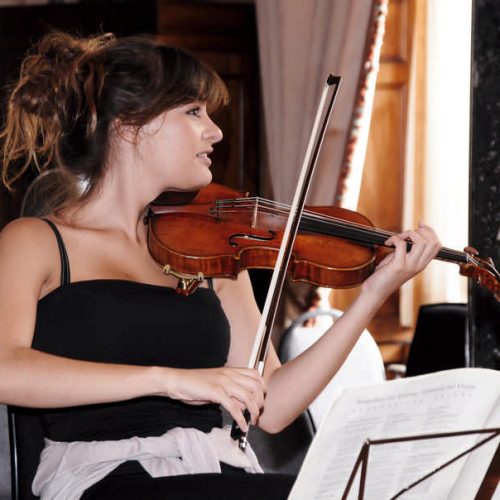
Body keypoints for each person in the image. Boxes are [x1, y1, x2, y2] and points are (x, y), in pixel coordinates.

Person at [0, 31, 441, 499]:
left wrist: (373, 294)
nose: (215, 131)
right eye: (193, 112)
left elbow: (273, 406)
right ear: (129, 126)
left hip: (217, 468)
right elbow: (7, 369)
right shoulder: (37, 242)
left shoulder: (213, 252)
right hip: (103, 475)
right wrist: (168, 381)